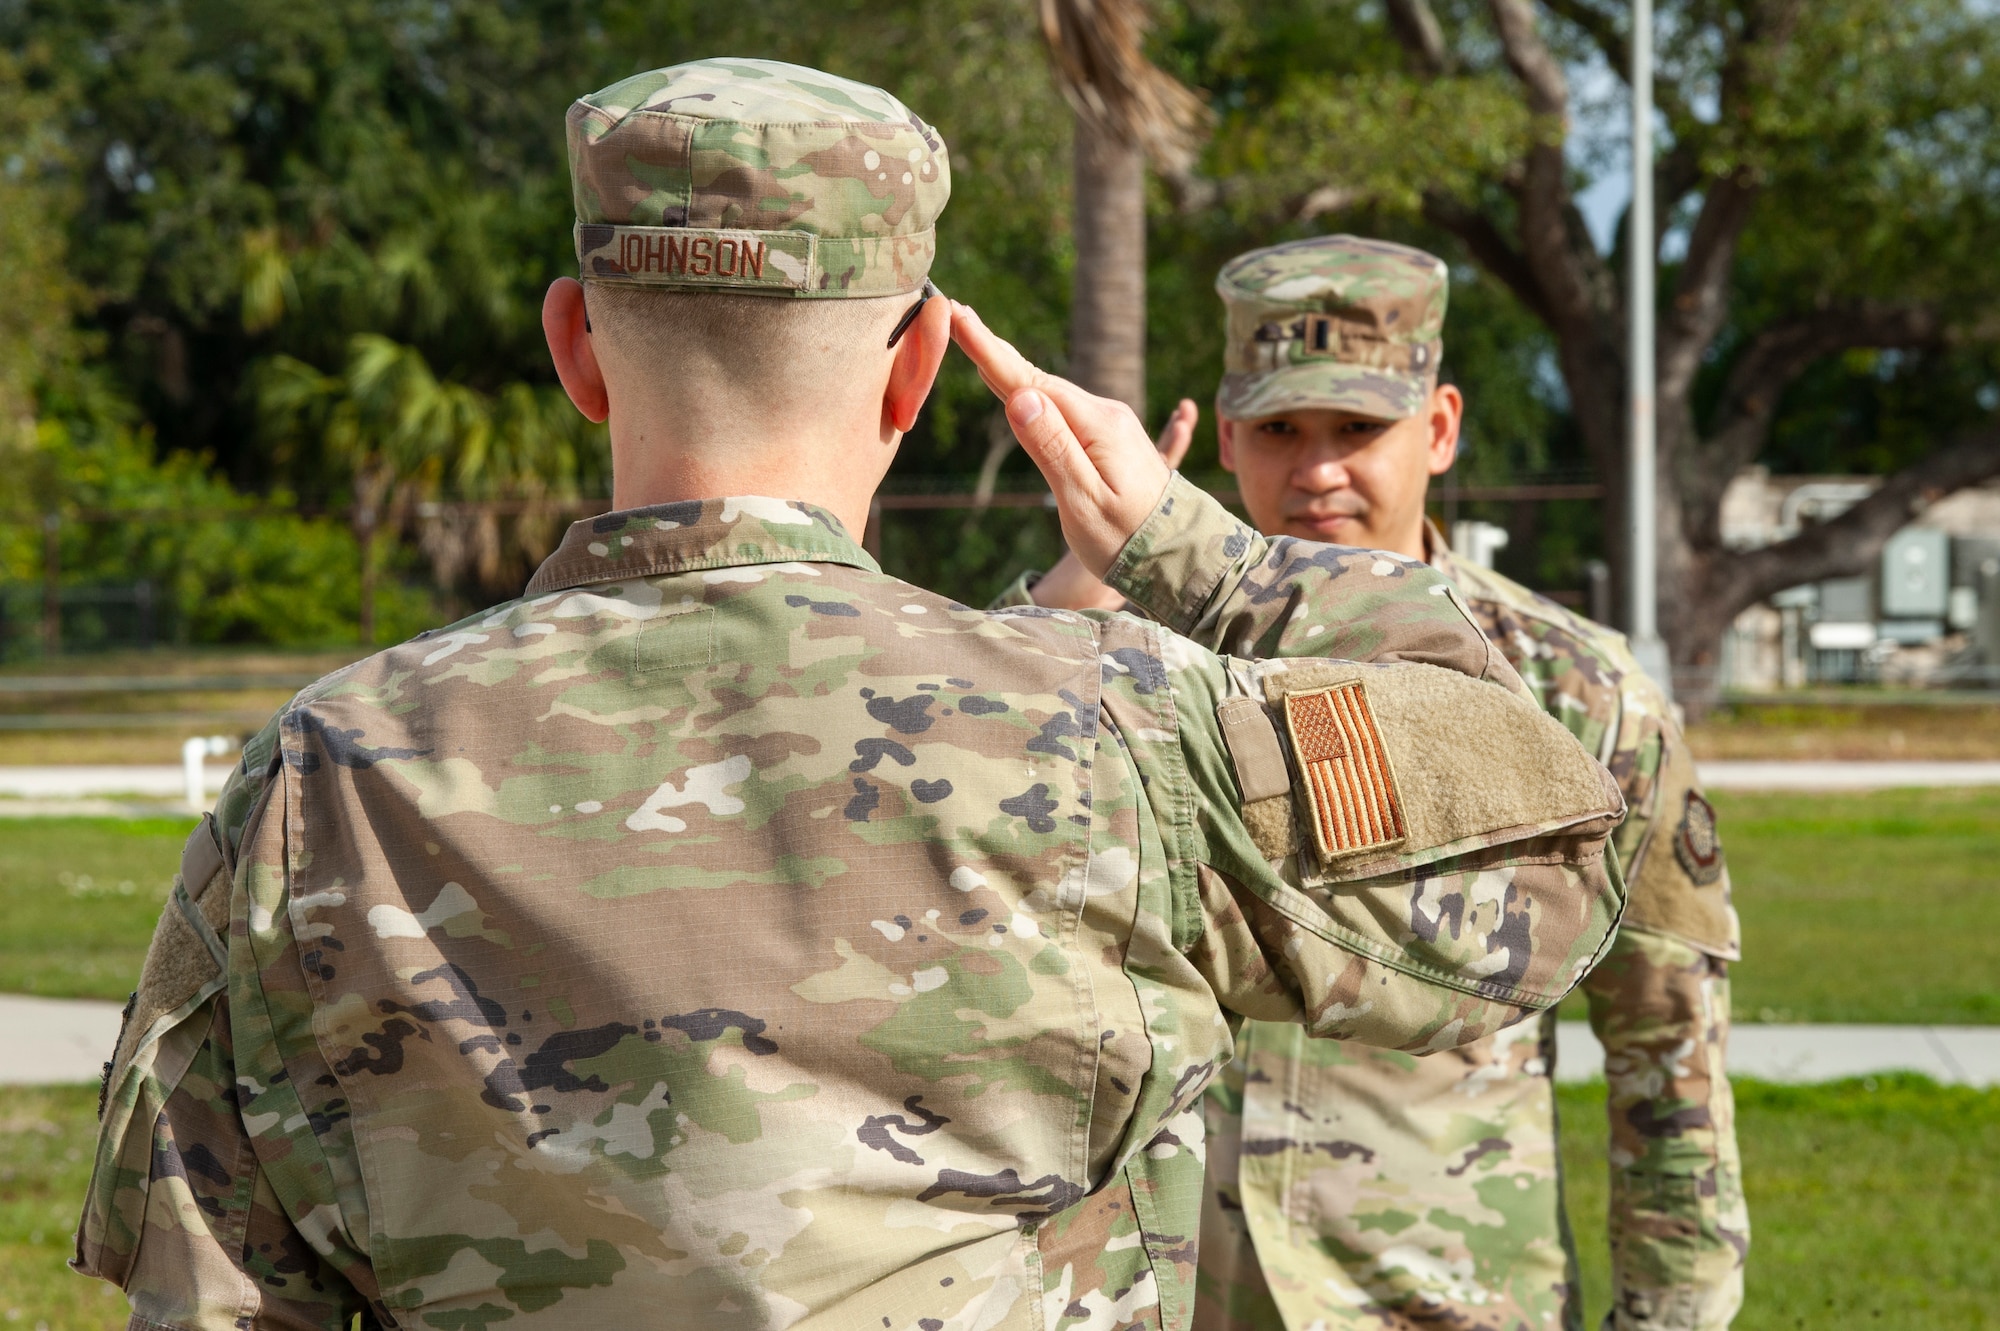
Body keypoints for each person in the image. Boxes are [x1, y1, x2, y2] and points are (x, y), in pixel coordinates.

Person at [74, 69, 1630, 1331]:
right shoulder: (1117, 728)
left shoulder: (322, 773)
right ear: (912, 378)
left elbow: (212, 1282)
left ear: (576, 348)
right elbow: (1551, 842)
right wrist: (1197, 555)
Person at [1016, 235, 1748, 1331]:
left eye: (1357, 429)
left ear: (1438, 428)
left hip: (1430, 1291)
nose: (1316, 469)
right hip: (1160, 1289)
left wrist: (1669, 1315)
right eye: (1277, 430)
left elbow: (1668, 1049)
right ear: (1223, 439)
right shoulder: (1118, 664)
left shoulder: (1570, 689)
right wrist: (1063, 602)